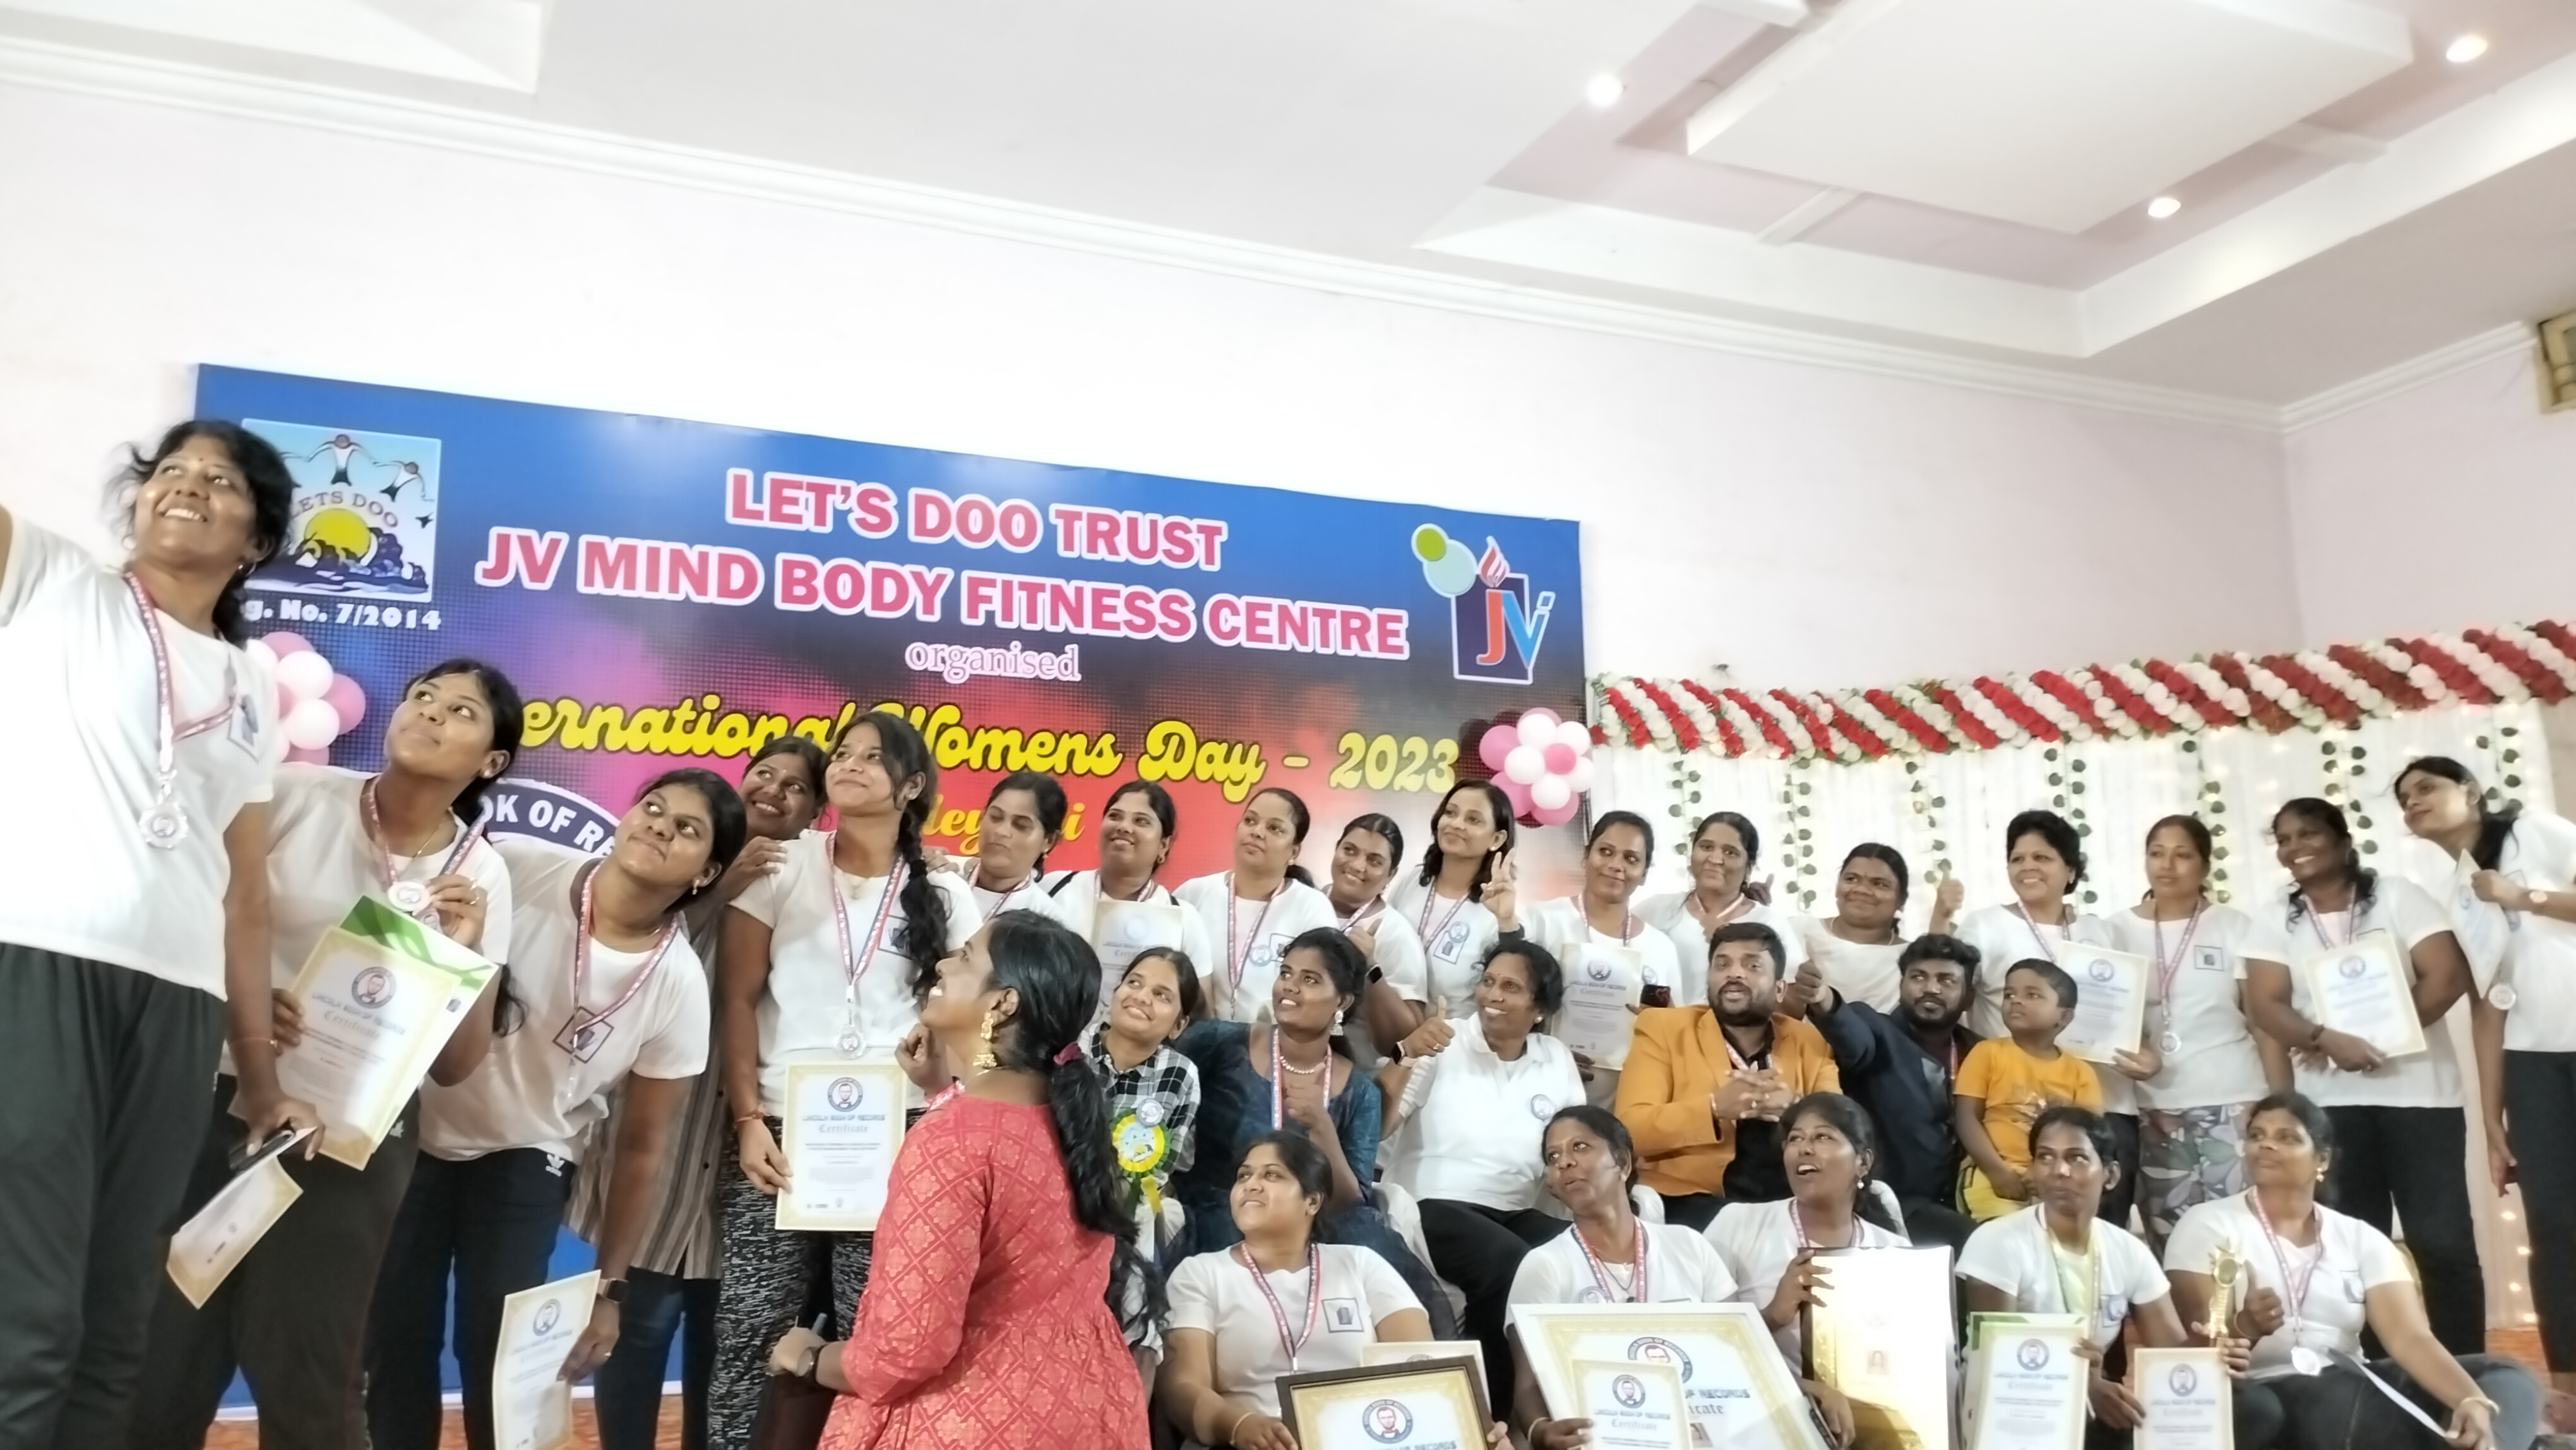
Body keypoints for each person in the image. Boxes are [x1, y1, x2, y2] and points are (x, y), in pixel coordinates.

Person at [0, 424, 316, 1448]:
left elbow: (245, 894)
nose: (185, 486)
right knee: (29, 1312)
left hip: (181, 1002)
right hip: (39, 964)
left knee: (117, 1320)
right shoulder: (52, 582)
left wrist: (261, 1078)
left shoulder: (251, 682)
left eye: (219, 480)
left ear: (256, 539)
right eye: (168, 472)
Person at [129, 660, 521, 1450]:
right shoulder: (298, 796)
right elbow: (183, 911)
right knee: (164, 1353)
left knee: (309, 1363)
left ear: (492, 760)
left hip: (350, 1136)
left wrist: (467, 956)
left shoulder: (480, 873)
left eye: (461, 711)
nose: (431, 712)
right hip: (220, 1094)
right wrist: (238, 999)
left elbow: (455, 1066)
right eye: (423, 696)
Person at [367, 769, 748, 1450]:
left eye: (687, 828)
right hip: (417, 1125)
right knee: (395, 1338)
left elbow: (643, 1147)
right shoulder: (520, 867)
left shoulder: (679, 984)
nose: (659, 826)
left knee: (501, 1356)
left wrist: (611, 1290)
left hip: (529, 1152)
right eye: (653, 807)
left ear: (707, 871)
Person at [761, 912, 1152, 1447]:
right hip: (1090, 1407)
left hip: (977, 1415)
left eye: (966, 957)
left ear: (1003, 1003)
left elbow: (906, 1351)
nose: (944, 964)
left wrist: (810, 1357)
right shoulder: (1074, 1121)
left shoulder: (952, 1140)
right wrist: (941, 1092)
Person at [708, 712, 982, 1450]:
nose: (850, 764)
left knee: (879, 1330)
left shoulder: (945, 891)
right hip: (779, 1131)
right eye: (843, 753)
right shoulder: (784, 863)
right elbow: (736, 999)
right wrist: (747, 1120)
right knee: (751, 1327)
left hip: (899, 1134)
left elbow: (970, 1020)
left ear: (912, 786)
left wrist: (942, 1089)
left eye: (872, 756)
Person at [579, 735, 828, 1450]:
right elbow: (635, 943)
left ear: (817, 812)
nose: (774, 790)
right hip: (661, 1152)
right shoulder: (684, 871)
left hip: (752, 1167)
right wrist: (720, 890)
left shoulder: (813, 896)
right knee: (632, 1334)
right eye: (764, 774)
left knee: (724, 1363)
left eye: (796, 787)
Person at [2241, 798, 2483, 1355]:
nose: (2295, 847)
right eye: (2284, 839)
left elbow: (2447, 976)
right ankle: (2377, 1371)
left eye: (2308, 833)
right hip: (2330, 1106)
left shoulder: (2398, 896)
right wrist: (2325, 1039)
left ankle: (2467, 1368)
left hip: (2422, 1099)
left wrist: (2378, 1042)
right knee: (2355, 1248)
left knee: (2441, 1241)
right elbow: (2265, 1004)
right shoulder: (2274, 917)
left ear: (2344, 842)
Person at [2166, 1093, 2539, 1450]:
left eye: (2286, 1138)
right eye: (2256, 1136)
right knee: (2347, 1405)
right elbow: (2201, 1342)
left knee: (2507, 1377)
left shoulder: (2360, 1237)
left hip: (2355, 1380)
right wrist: (2246, 1325)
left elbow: (2410, 1339)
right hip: (2267, 1386)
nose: (2266, 1145)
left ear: (2322, 1159)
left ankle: (2485, 1441)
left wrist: (2470, 1400)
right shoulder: (2208, 1224)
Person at [1169, 928, 1454, 1333]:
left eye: (1310, 979)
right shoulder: (1218, 1043)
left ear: (1342, 1002)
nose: (1290, 986)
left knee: (1365, 1237)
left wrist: (1322, 1128)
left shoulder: (1358, 1092)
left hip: (1314, 1217)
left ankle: (1419, 1360)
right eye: (1286, 973)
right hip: (1224, 1206)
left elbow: (1352, 1200)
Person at [2396, 756, 2576, 1387]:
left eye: (2426, 788)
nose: (2413, 803)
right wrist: (2493, 1117)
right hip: (2532, 1066)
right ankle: (2567, 1389)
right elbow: (2485, 1007)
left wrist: (2525, 897)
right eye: (2404, 798)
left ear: (2471, 791)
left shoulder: (2537, 831)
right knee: (2553, 1225)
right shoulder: (2456, 891)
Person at [1161, 1134, 1505, 1450]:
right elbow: (1184, 1388)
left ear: (1312, 1201)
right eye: (1243, 1176)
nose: (1251, 1185)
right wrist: (1240, 1425)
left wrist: (1472, 1427)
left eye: (1272, 1175)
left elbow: (1423, 1373)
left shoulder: (1361, 1264)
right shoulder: (1200, 1273)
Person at [1380, 940, 1583, 1413]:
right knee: (1511, 1262)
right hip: (1432, 1205)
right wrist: (1406, 1055)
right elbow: (1381, 1126)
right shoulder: (1444, 1038)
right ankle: (1493, 1415)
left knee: (1579, 1251)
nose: (1493, 994)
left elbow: (1575, 1137)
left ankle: (1570, 1405)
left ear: (1540, 1009)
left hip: (1516, 1207)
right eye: (1489, 982)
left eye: (1511, 987)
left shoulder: (1554, 1056)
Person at [1940, 811, 2149, 1228]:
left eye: (2042, 857)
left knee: (2096, 1233)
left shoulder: (2100, 930)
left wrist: (2145, 1054)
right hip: (2010, 1113)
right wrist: (1941, 917)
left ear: (2070, 870)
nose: (2028, 867)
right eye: (2017, 859)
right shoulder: (1987, 925)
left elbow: (2128, 1010)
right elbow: (1946, 987)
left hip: (2103, 1099)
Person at [2094, 815, 2287, 1251]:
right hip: (2153, 1110)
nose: (2167, 865)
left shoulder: (2234, 926)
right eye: (2157, 854)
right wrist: (2139, 1049)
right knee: (2174, 1242)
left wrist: (2280, 1104)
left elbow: (2261, 1021)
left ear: (2204, 866)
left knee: (2246, 1235)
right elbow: (2105, 1016)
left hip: (2233, 1101)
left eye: (2182, 855)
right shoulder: (2114, 931)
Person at [1957, 1106, 2205, 1447]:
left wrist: (2223, 1342)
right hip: (2011, 1410)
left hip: (2085, 1402)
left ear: (2111, 1175)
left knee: (2236, 1410)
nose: (2059, 1170)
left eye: (2076, 1158)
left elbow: (2173, 1355)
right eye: (2045, 1157)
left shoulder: (2128, 1250)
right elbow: (1999, 1357)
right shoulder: (1997, 1240)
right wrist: (2082, 1383)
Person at [1506, 1107, 1742, 1450]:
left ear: (1623, 1163)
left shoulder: (1689, 1245)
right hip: (1600, 1437)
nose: (1564, 1162)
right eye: (1553, 1156)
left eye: (1580, 1147)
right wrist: (1541, 1431)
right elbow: (1528, 1387)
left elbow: (1737, 1350)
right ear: (1553, 1186)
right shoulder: (1543, 1266)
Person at [1617, 921, 1840, 1230]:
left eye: (1752, 965)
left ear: (1780, 989)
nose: (1734, 974)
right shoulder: (1664, 1028)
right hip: (1689, 1199)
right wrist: (1713, 1108)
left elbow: (1842, 1131)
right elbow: (1630, 1130)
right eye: (1722, 965)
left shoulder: (1810, 1041)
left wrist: (1796, 1109)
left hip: (1790, 1199)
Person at [1703, 1093, 1900, 1439]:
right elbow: (1702, 1347)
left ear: (1863, 1162)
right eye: (1795, 1139)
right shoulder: (1739, 1224)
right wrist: (1772, 1316)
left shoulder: (1895, 1252)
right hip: (1761, 1426)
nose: (1804, 1148)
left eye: (1823, 1136)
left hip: (1871, 1427)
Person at [1802, 933, 1983, 1251]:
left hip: (1966, 1199)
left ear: (1969, 997)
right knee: (1978, 1243)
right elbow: (1852, 1039)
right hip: (1890, 1204)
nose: (1930, 988)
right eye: (1918, 977)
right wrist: (1823, 999)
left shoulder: (1981, 1052)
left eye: (1946, 980)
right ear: (1901, 985)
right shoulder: (1876, 1030)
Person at [1088, 945, 1205, 1396]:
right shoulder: (1071, 1050)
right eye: (1134, 983)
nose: (1141, 997)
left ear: (1178, 1025)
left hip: (1137, 1193)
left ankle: (1133, 1378)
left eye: (1161, 994)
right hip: (1060, 1185)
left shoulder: (1181, 1074)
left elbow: (1162, 1166)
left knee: (1152, 1217)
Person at [1527, 812, 1682, 1103]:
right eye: (1606, 852)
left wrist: (1664, 1023)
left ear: (1644, 873)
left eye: (1631, 859)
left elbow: (1672, 1033)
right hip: (1542, 1092)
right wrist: (1552, 1055)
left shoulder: (1660, 948)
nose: (1616, 865)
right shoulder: (1541, 922)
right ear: (1586, 856)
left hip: (1626, 1102)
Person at [1037, 780, 1218, 1009]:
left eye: (1141, 821)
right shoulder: (1052, 888)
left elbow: (1201, 1011)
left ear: (1164, 845)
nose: (1123, 827)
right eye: (1115, 816)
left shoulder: (1183, 918)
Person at [1956, 959, 2103, 1219]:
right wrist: (1998, 1172)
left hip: (2056, 1178)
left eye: (2032, 995)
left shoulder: (2081, 1073)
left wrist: (2042, 1173)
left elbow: (2086, 1137)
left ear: (2064, 1017)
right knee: (2008, 1237)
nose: (2016, 1001)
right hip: (1991, 1176)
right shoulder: (1987, 1053)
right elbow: (1966, 1118)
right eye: (2009, 994)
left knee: (2058, 1237)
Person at [1178, 788, 1339, 1023]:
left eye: (1274, 828)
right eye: (1250, 821)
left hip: (1276, 1040)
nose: (1257, 832)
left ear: (1294, 851)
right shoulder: (1193, 893)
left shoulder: (1312, 908)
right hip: (1196, 1036)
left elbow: (1322, 991)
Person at [1638, 810, 1810, 1002]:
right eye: (1706, 847)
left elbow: (1794, 1004)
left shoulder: (1769, 923)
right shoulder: (1655, 908)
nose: (1715, 859)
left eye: (1730, 852)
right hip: (1663, 1021)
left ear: (1749, 867)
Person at [1387, 779, 1522, 1007]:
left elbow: (1508, 992)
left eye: (1473, 819)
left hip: (1451, 1029)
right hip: (1386, 1019)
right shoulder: (1414, 879)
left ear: (1496, 839)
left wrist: (1506, 922)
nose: (1456, 824)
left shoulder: (1498, 908)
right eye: (1450, 813)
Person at [1323, 813, 1433, 1066]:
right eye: (1349, 850)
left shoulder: (1396, 934)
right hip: (1283, 1059)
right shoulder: (1305, 903)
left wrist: (1371, 970)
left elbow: (1406, 1040)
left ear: (1391, 875)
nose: (1357, 865)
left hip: (1354, 1073)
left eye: (1374, 861)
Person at [1791, 843, 1926, 1012]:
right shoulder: (1798, 930)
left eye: (1879, 884)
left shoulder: (1912, 958)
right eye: (1851, 879)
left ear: (1902, 900)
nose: (1862, 889)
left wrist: (1942, 917)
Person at [958, 770, 1080, 928]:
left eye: (1021, 825)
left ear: (1049, 841)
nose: (1002, 831)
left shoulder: (1048, 924)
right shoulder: (944, 881)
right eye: (995, 817)